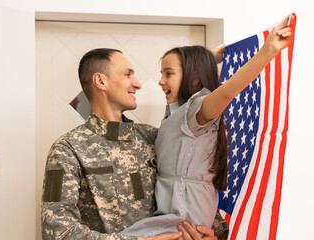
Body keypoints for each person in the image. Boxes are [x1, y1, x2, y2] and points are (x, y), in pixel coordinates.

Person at [121, 15, 294, 238]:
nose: (161, 81)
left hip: (179, 223)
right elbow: (174, 122)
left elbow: (228, 91)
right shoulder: (175, 115)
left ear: (194, 78)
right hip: (178, 221)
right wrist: (207, 58)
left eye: (169, 74)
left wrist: (267, 52)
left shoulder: (195, 112)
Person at [41, 47, 229, 240]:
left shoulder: (153, 137)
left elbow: (192, 193)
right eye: (128, 74)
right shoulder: (68, 150)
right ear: (101, 81)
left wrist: (213, 235)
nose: (138, 84)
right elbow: (57, 233)